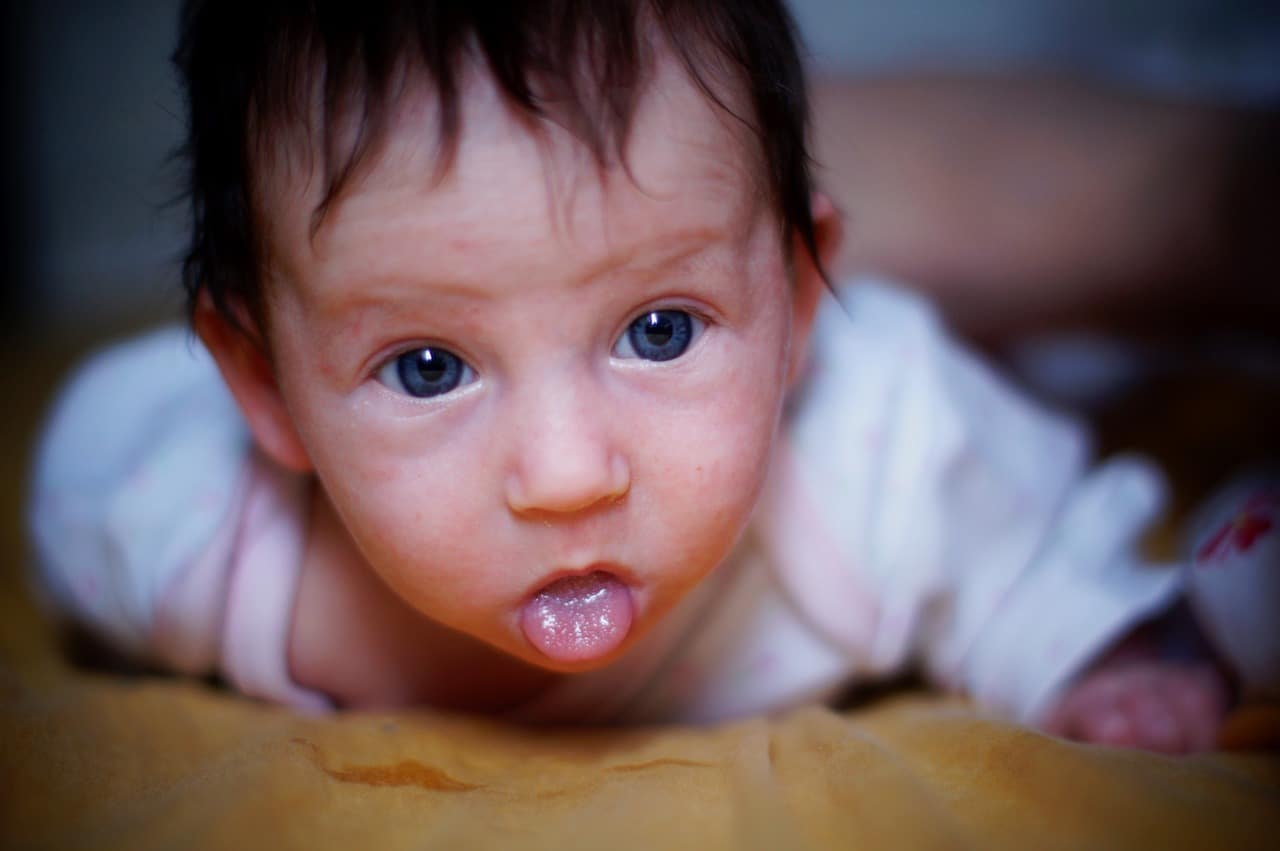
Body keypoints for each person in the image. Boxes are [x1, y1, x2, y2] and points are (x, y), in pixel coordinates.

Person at [28, 0, 1238, 752]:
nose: (564, 476)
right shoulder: (190, 531)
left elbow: (1019, 554)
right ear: (268, 395)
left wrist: (1092, 655)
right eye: (429, 365)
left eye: (658, 330)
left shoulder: (871, 450)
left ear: (802, 303)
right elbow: (78, 479)